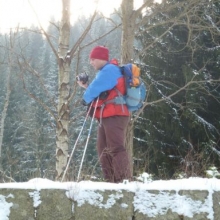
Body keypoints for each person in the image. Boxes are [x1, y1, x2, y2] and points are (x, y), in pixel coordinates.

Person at [77, 45, 132, 183]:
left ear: (102, 58)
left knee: (115, 147)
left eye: (93, 59)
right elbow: (103, 92)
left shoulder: (109, 70)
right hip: (107, 116)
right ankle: (111, 180)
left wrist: (85, 99)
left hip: (115, 115)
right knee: (103, 148)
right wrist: (86, 87)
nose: (91, 62)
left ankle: (123, 180)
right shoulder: (107, 71)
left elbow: (95, 89)